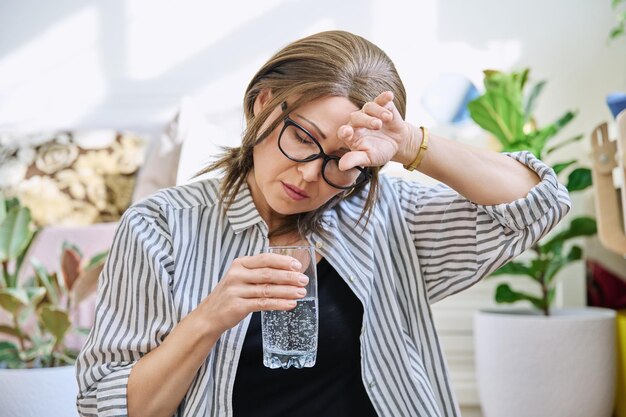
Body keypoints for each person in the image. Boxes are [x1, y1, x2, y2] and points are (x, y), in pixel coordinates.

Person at [76, 30, 571, 417]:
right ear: (262, 104)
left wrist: (411, 142)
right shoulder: (161, 228)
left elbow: (539, 203)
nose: (310, 174)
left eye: (341, 160)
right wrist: (209, 318)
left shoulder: (385, 216)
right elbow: (110, 405)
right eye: (302, 137)